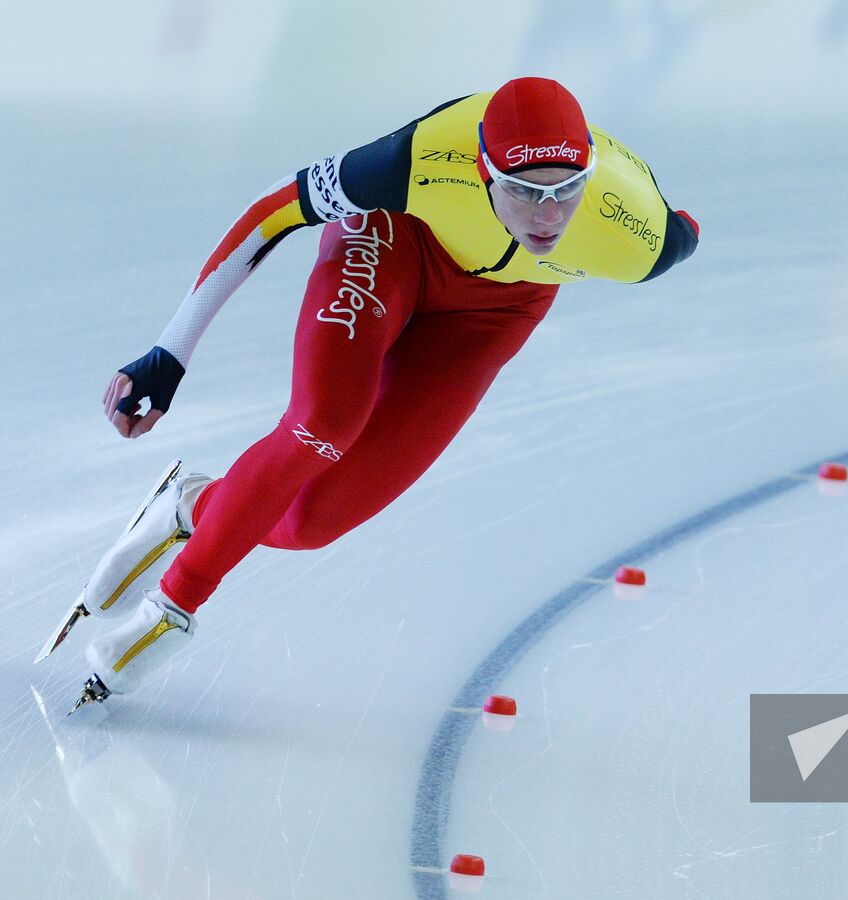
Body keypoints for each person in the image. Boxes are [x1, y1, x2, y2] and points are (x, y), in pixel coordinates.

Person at [44, 77, 699, 713]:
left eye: (568, 192)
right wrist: (172, 350)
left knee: (309, 523)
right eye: (524, 192)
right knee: (325, 423)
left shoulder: (639, 235)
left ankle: (193, 505)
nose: (549, 217)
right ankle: (172, 609)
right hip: (394, 239)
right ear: (481, 169)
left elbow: (685, 229)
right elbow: (274, 210)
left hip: (496, 314)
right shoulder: (418, 160)